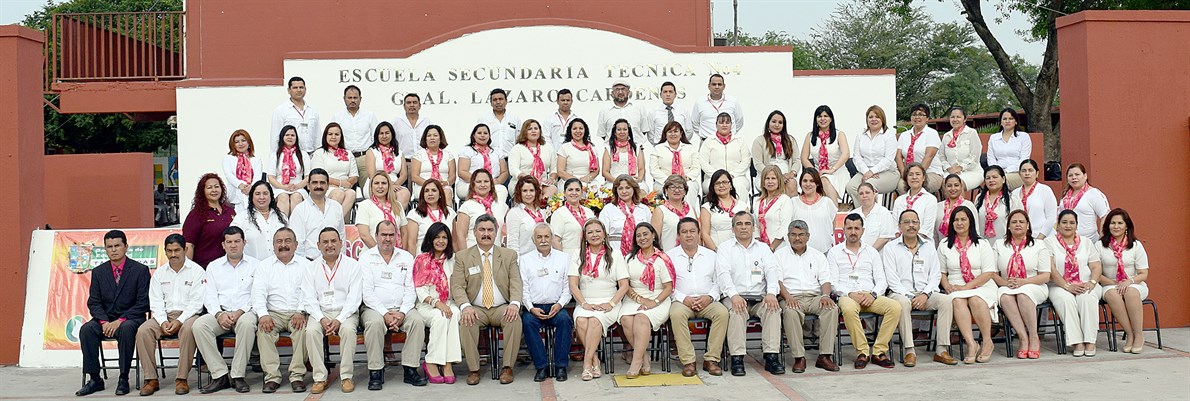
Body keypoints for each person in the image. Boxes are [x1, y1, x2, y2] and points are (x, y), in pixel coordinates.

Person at [76, 230, 151, 397]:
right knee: (87, 330)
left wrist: (121, 320)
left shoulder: (140, 270)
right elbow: (94, 302)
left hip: (130, 318)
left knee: (126, 329)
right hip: (105, 319)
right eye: (109, 247)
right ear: (105, 249)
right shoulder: (99, 272)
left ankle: (123, 378)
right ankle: (95, 379)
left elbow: (143, 303)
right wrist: (103, 322)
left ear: (126, 247)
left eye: (117, 245)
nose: (114, 250)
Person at [451, 215, 524, 385]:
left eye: (490, 230)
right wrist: (465, 306)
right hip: (476, 308)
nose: (486, 234)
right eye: (482, 230)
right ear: (475, 232)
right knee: (467, 320)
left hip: (501, 307)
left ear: (496, 232)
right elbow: (457, 285)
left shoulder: (508, 255)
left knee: (514, 319)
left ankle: (507, 368)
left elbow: (516, 282)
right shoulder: (463, 257)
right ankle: (474, 369)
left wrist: (514, 304)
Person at [882, 209, 956, 367]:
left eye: (914, 222)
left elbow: (935, 275)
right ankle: (910, 350)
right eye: (906, 222)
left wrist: (925, 295)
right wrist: (911, 297)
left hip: (925, 294)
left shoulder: (929, 246)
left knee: (946, 300)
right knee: (901, 303)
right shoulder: (891, 247)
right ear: (899, 226)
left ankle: (941, 349)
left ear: (919, 225)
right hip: (900, 293)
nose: (911, 225)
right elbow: (892, 279)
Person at [360, 221, 428, 389]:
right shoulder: (366, 258)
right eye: (383, 235)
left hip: (402, 308)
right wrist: (385, 313)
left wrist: (403, 313)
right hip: (374, 309)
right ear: (376, 236)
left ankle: (410, 369)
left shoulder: (406, 257)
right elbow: (366, 292)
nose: (387, 239)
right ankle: (376, 371)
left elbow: (411, 289)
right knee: (374, 324)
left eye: (391, 235)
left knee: (417, 322)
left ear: (397, 237)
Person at [135, 234, 205, 396]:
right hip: (164, 316)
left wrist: (180, 321)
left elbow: (196, 303)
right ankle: (150, 379)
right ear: (165, 252)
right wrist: (162, 321)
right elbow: (156, 301)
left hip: (189, 315)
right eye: (169, 251)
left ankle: (182, 379)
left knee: (189, 330)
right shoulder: (159, 273)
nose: (173, 254)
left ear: (185, 249)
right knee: (143, 331)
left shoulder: (197, 271)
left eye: (177, 250)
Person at [193, 227, 260, 394]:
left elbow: (257, 294)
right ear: (223, 245)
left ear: (244, 243)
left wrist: (240, 312)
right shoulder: (214, 267)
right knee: (199, 326)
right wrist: (219, 314)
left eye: (237, 241)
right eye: (229, 242)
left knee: (247, 324)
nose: (233, 245)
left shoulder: (256, 265)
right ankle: (220, 375)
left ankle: (238, 376)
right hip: (221, 313)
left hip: (246, 312)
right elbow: (209, 296)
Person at [829, 214, 900, 369]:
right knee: (847, 308)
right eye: (849, 228)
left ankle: (878, 351)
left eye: (856, 228)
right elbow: (833, 282)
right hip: (847, 295)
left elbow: (882, 280)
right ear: (843, 230)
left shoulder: (872, 252)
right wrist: (850, 293)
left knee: (895, 307)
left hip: (870, 295)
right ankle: (862, 352)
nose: (853, 232)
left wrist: (873, 294)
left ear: (863, 230)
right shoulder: (834, 252)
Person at [715, 212, 782, 376]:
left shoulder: (763, 248)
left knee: (773, 309)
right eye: (739, 224)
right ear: (733, 228)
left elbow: (773, 271)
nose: (743, 227)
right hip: (735, 297)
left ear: (753, 227)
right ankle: (737, 358)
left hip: (760, 297)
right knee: (737, 312)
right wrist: (734, 295)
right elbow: (723, 275)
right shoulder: (725, 248)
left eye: (747, 224)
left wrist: (772, 293)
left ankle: (771, 356)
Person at [303, 228, 365, 394]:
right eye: (325, 242)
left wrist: (340, 319)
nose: (329, 245)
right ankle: (319, 378)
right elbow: (308, 298)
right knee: (311, 331)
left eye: (333, 241)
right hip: (320, 312)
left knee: (348, 330)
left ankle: (346, 377)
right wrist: (321, 318)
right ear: (318, 245)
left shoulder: (353, 266)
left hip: (346, 312)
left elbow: (355, 298)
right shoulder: (311, 268)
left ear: (341, 243)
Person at [774, 220, 840, 373]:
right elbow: (777, 281)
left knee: (831, 308)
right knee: (790, 311)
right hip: (790, 296)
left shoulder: (818, 256)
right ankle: (799, 358)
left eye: (801, 235)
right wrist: (788, 297)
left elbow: (825, 280)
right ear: (788, 236)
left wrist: (825, 295)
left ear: (808, 236)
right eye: (794, 235)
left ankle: (825, 356)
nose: (797, 238)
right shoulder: (779, 256)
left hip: (814, 296)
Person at [569, 219, 630, 381]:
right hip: (585, 301)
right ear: (585, 237)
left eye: (597, 231)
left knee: (595, 321)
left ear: (604, 234)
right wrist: (584, 303)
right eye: (590, 232)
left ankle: (586, 364)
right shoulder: (577, 254)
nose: (594, 234)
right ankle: (594, 359)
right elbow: (573, 285)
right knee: (581, 320)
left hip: (610, 301)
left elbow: (624, 285)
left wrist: (610, 304)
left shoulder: (616, 255)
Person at [937, 209, 1000, 364]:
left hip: (982, 284)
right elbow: (941, 272)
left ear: (970, 222)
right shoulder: (945, 244)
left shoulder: (982, 244)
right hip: (956, 284)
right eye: (956, 220)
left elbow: (989, 273)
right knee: (957, 301)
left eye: (963, 219)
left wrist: (967, 288)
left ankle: (987, 341)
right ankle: (971, 344)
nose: (959, 223)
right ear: (951, 223)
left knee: (976, 299)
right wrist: (947, 286)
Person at [252, 228, 310, 393]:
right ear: (273, 245)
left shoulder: (306, 265)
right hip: (273, 313)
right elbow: (257, 293)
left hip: (297, 312)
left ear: (296, 244)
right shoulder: (264, 266)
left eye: (287, 241)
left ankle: (297, 376)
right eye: (279, 241)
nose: (283, 245)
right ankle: (272, 377)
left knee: (303, 330)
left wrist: (301, 311)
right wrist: (263, 315)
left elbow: (310, 292)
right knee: (263, 331)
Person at [667, 217, 728, 377]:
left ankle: (711, 359)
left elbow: (719, 281)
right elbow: (667, 284)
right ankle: (688, 362)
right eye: (684, 232)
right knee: (676, 314)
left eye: (692, 231)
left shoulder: (712, 255)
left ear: (699, 234)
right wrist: (682, 298)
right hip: (681, 301)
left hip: (707, 300)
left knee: (722, 313)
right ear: (678, 235)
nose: (689, 235)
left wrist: (710, 297)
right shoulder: (669, 256)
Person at [992, 210, 1053, 359]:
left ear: (1028, 226)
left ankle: (1033, 337)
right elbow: (992, 272)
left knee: (1023, 294)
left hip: (1034, 284)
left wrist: (1023, 282)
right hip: (1008, 285)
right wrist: (1004, 283)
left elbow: (1045, 275)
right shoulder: (999, 244)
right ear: (1008, 227)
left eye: (1021, 222)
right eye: (1014, 222)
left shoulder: (1039, 245)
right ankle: (1023, 337)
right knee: (1005, 296)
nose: (1017, 224)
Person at [519, 224, 574, 382]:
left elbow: (567, 287)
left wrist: (560, 304)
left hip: (556, 306)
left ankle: (560, 366)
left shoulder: (563, 258)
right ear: (533, 240)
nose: (543, 240)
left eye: (546, 236)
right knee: (527, 323)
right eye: (539, 237)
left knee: (565, 320)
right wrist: (530, 307)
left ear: (551, 238)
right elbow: (524, 289)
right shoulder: (525, 260)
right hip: (534, 307)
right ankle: (541, 367)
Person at [619, 223, 674, 378]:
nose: (642, 238)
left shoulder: (662, 258)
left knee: (642, 317)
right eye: (638, 235)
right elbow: (625, 284)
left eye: (645, 234)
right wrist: (638, 298)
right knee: (626, 319)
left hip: (659, 298)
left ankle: (636, 362)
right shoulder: (629, 258)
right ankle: (644, 358)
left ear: (653, 235)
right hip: (634, 297)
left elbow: (668, 287)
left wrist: (654, 302)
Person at [1046, 210, 1104, 356]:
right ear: (1057, 225)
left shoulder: (1086, 242)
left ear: (1077, 225)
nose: (1068, 226)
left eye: (1072, 223)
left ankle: (1090, 341)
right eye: (1064, 222)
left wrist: (1091, 283)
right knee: (1065, 300)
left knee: (1087, 298)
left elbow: (1096, 266)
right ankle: (1076, 341)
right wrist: (1067, 286)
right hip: (1059, 285)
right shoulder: (1049, 242)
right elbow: (1051, 269)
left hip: (1086, 283)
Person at [414, 223, 462, 384]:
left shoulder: (452, 260)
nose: (441, 241)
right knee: (440, 317)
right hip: (427, 305)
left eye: (444, 237)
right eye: (437, 237)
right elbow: (420, 291)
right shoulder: (421, 259)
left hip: (448, 301)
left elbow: (457, 285)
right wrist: (436, 303)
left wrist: (448, 304)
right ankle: (431, 362)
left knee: (455, 314)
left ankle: (448, 362)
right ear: (430, 239)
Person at [1097, 208, 1150, 354]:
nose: (1116, 226)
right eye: (1113, 223)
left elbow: (1143, 273)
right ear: (1108, 225)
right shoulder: (1100, 245)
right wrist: (1112, 282)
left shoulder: (1136, 245)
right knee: (1113, 295)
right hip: (1110, 283)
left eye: (1120, 223)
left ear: (1127, 226)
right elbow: (1096, 272)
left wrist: (1129, 281)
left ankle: (1139, 335)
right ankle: (1129, 334)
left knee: (1131, 292)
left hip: (1134, 283)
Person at [845, 105, 898, 207]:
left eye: (877, 117)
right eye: (871, 117)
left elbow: (888, 160)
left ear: (882, 119)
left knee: (867, 187)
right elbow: (857, 157)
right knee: (851, 187)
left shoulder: (889, 135)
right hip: (864, 171)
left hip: (887, 172)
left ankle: (874, 215)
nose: (874, 119)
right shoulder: (861, 135)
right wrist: (866, 172)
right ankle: (862, 214)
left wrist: (872, 172)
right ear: (867, 119)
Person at [288, 169, 345, 260]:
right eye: (315, 183)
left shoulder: (336, 207)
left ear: (327, 186)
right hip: (309, 263)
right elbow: (297, 243)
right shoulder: (300, 210)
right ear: (308, 186)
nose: (318, 186)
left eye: (322, 183)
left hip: (335, 264)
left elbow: (341, 237)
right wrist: (304, 265)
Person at [183, 173, 235, 267]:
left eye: (216, 186)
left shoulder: (230, 211)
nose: (214, 190)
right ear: (202, 191)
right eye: (209, 187)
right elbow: (189, 245)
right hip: (204, 267)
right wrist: (189, 271)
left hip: (229, 267)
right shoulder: (196, 215)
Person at [308, 122, 359, 220]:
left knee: (351, 193)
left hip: (345, 187)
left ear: (341, 136)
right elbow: (319, 175)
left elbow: (354, 176)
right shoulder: (319, 153)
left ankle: (335, 220)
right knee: (338, 193)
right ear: (325, 136)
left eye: (336, 134)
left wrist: (347, 183)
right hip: (327, 187)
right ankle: (331, 220)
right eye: (330, 134)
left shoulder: (348, 153)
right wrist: (340, 183)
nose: (333, 137)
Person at [800, 105, 850, 202]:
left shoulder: (839, 134)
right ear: (816, 119)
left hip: (837, 172)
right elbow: (804, 158)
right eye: (819, 116)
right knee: (819, 179)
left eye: (826, 116)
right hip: (817, 172)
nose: (823, 119)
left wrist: (832, 169)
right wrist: (813, 172)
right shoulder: (810, 136)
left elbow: (846, 154)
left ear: (831, 119)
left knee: (825, 179)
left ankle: (833, 212)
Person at [231, 181, 287, 260]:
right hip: (252, 269)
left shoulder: (282, 217)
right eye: (257, 194)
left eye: (265, 193)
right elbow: (232, 242)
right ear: (251, 197)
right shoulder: (241, 218)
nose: (261, 197)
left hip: (279, 268)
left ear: (271, 196)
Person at [454, 169, 509, 250]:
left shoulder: (502, 205)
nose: (482, 185)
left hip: (496, 255)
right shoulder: (466, 206)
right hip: (472, 255)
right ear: (473, 185)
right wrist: (465, 259)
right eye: (478, 182)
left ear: (491, 184)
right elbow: (460, 236)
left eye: (486, 181)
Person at [599, 175, 653, 257]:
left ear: (634, 189)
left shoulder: (644, 209)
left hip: (640, 253)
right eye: (620, 188)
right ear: (615, 190)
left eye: (628, 188)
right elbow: (602, 235)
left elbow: (650, 233)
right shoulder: (608, 209)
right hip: (615, 254)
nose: (624, 191)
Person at [699, 112, 751, 196]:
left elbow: (746, 161)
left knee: (740, 186)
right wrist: (717, 176)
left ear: (731, 125)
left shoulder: (740, 141)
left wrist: (732, 175)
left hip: (737, 177)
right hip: (712, 178)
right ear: (716, 125)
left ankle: (740, 209)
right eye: (721, 122)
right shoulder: (708, 141)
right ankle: (716, 209)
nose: (724, 125)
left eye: (727, 122)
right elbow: (703, 162)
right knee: (715, 187)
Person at [334, 85, 379, 180]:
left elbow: (375, 137)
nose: (352, 100)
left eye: (355, 98)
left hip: (364, 157)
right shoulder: (337, 117)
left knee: (368, 186)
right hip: (344, 158)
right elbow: (332, 138)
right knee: (347, 187)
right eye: (349, 98)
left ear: (360, 99)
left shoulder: (369, 115)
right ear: (344, 99)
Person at [648, 121, 701, 203]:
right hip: (664, 181)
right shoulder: (658, 148)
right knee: (666, 188)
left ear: (681, 133)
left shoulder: (690, 148)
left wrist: (686, 178)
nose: (673, 134)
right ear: (665, 134)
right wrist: (668, 180)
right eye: (670, 132)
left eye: (676, 131)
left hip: (686, 180)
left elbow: (696, 167)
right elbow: (653, 169)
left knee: (690, 187)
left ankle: (689, 213)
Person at [751, 110, 800, 197]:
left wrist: (791, 174)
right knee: (774, 185)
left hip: (787, 176)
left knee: (791, 184)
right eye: (774, 121)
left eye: (780, 122)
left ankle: (791, 210)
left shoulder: (790, 140)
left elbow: (796, 160)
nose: (777, 125)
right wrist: (776, 177)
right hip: (767, 176)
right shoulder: (759, 141)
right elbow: (758, 164)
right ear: (768, 123)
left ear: (784, 125)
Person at [456, 123, 510, 202]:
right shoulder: (467, 150)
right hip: (469, 185)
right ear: (474, 136)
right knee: (480, 191)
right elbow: (462, 172)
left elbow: (504, 172)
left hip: (493, 185)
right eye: (479, 133)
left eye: (485, 133)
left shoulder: (497, 152)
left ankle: (494, 214)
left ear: (489, 136)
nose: (482, 135)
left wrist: (496, 182)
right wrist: (479, 182)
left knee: (502, 190)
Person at [896, 104, 943, 193]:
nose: (917, 117)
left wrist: (917, 175)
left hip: (930, 173)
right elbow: (898, 156)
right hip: (909, 174)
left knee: (918, 187)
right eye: (914, 114)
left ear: (927, 118)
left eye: (921, 114)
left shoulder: (932, 133)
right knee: (902, 187)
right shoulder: (904, 135)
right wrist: (904, 174)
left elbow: (929, 157)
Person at [791, 168, 839, 253]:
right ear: (800, 183)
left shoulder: (827, 202)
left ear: (817, 183)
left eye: (812, 181)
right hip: (799, 253)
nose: (808, 184)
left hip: (824, 251)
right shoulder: (793, 202)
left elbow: (832, 228)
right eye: (805, 181)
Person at [364, 121, 412, 207]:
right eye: (381, 133)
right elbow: (371, 174)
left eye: (387, 133)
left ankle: (395, 219)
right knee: (388, 194)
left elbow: (403, 175)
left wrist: (395, 185)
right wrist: (389, 186)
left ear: (392, 134)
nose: (384, 136)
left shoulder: (399, 153)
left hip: (395, 183)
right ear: (377, 136)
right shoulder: (372, 152)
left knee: (404, 193)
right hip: (376, 183)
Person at [355, 172, 407, 249]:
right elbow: (364, 235)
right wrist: (381, 253)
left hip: (397, 255)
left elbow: (404, 233)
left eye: (384, 183)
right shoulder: (364, 205)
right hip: (373, 254)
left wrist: (402, 253)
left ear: (389, 186)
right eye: (376, 183)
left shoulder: (397, 205)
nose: (380, 186)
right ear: (371, 186)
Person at [1059, 163, 1110, 241]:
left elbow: (1105, 216)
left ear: (1085, 176)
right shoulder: (1065, 196)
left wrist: (1102, 241)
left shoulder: (1093, 193)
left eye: (1077, 174)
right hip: (1066, 242)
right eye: (1070, 175)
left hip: (1089, 241)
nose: (1074, 177)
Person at [699, 169, 748, 251]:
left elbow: (748, 232)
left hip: (739, 251)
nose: (721, 186)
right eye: (717, 183)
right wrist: (717, 251)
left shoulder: (743, 206)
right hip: (715, 252)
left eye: (725, 182)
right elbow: (705, 234)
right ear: (713, 187)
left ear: (731, 185)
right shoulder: (706, 208)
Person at [938, 107, 984, 191]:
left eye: (958, 117)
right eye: (952, 117)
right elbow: (941, 156)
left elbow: (975, 156)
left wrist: (960, 167)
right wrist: (949, 168)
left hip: (971, 172)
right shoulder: (946, 136)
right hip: (950, 172)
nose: (955, 119)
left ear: (965, 119)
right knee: (944, 182)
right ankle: (949, 204)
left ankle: (960, 204)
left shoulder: (971, 133)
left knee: (957, 184)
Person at [270, 76, 320, 154]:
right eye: (295, 88)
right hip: (290, 155)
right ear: (289, 90)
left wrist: (318, 154)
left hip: (311, 154)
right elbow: (275, 137)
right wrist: (276, 156)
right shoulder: (280, 110)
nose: (299, 90)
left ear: (305, 89)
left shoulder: (312, 110)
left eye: (301, 87)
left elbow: (317, 136)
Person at [266, 125, 309, 215]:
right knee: (283, 197)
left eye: (293, 135)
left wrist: (297, 186)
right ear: (282, 137)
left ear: (296, 138)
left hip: (298, 187)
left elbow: (308, 177)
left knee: (296, 197)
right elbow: (271, 177)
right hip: (279, 187)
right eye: (287, 135)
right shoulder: (275, 155)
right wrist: (283, 187)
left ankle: (295, 226)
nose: (290, 137)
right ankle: (283, 226)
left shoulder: (303, 154)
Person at [508, 119, 557, 198]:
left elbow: (554, 168)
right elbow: (513, 169)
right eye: (530, 129)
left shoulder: (548, 147)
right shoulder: (517, 148)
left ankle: (541, 206)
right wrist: (529, 179)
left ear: (540, 131)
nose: (533, 131)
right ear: (524, 132)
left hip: (541, 183)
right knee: (529, 192)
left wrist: (551, 178)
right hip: (522, 183)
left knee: (553, 189)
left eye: (536, 129)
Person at [405, 179, 457, 253]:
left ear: (440, 194)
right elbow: (411, 244)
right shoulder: (414, 214)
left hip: (446, 258)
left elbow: (454, 242)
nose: (430, 194)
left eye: (434, 190)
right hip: (423, 258)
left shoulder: (450, 212)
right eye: (426, 191)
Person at [1010, 159, 1057, 239]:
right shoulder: (1014, 193)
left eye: (1030, 170)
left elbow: (1051, 218)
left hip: (1044, 238)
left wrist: (1040, 238)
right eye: (1024, 171)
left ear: (1037, 173)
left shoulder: (1045, 190)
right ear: (1019, 174)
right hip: (1021, 239)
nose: (1027, 173)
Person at [651, 175, 700, 251]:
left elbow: (698, 235)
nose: (677, 190)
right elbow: (654, 239)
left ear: (685, 192)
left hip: (691, 256)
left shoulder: (691, 209)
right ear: (666, 191)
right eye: (672, 187)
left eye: (680, 187)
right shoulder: (660, 211)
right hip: (669, 257)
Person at [986, 108, 1032, 190]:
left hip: (1017, 172)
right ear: (1001, 122)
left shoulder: (1023, 137)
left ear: (1016, 121)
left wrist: (1006, 171)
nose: (1007, 121)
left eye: (1011, 118)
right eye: (1004, 119)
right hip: (997, 173)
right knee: (994, 180)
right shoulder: (993, 138)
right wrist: (997, 171)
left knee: (998, 182)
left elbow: (1024, 159)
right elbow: (991, 158)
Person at [892, 163, 939, 241]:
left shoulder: (930, 199)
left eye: (918, 174)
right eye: (910, 174)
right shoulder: (899, 200)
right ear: (906, 178)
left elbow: (927, 228)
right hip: (899, 243)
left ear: (923, 178)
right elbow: (894, 226)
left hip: (922, 244)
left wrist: (910, 242)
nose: (914, 177)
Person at [410, 125, 457, 202]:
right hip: (423, 186)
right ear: (425, 139)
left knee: (447, 192)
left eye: (435, 135)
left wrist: (446, 182)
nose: (432, 138)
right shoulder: (419, 155)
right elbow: (414, 176)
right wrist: (429, 184)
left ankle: (447, 214)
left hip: (443, 186)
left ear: (440, 138)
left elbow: (453, 176)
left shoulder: (448, 155)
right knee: (428, 192)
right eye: (429, 136)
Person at [596, 79, 650, 146]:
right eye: (617, 89)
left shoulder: (639, 108)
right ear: (612, 93)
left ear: (629, 92)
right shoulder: (605, 111)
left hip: (636, 149)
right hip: (613, 151)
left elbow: (644, 130)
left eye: (623, 89)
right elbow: (603, 134)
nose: (620, 92)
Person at [551, 178, 595, 260]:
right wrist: (562, 260)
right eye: (570, 190)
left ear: (582, 193)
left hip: (589, 256)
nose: (574, 193)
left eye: (577, 190)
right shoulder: (559, 213)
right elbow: (555, 241)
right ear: (564, 193)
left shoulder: (588, 212)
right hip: (569, 257)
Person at [222, 129, 265, 212]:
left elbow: (257, 177)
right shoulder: (228, 158)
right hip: (235, 197)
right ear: (233, 145)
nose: (240, 144)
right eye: (237, 142)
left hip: (251, 194)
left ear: (249, 143)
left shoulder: (256, 160)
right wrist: (240, 185)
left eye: (243, 140)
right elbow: (229, 175)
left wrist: (250, 188)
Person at [690, 74, 743, 140]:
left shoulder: (733, 101)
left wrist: (727, 134)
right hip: (706, 141)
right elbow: (694, 123)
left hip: (728, 142)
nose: (717, 87)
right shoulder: (700, 102)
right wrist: (705, 136)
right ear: (709, 86)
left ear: (724, 86)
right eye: (714, 84)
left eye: (719, 84)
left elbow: (739, 121)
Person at [506, 176, 550, 256]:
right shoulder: (514, 213)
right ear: (519, 193)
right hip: (524, 261)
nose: (528, 194)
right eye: (525, 191)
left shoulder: (542, 212)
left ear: (536, 192)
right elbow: (512, 242)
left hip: (544, 259)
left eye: (531, 190)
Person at [754, 165, 793, 251]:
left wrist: (771, 248)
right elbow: (756, 226)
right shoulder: (757, 201)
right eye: (767, 178)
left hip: (779, 248)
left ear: (779, 181)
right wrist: (760, 246)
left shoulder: (785, 200)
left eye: (773, 178)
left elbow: (784, 227)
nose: (770, 181)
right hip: (761, 249)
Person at [555, 118, 603, 189]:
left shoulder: (592, 147)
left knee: (598, 191)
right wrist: (576, 180)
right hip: (569, 181)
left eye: (581, 128)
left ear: (585, 130)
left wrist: (589, 177)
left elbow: (596, 170)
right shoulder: (564, 147)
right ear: (570, 131)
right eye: (574, 128)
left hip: (588, 181)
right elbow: (560, 171)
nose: (578, 131)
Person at [851, 182, 896, 251]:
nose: (864, 195)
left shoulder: (884, 212)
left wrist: (869, 252)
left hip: (878, 257)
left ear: (874, 193)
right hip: (856, 257)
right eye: (861, 193)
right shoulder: (853, 214)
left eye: (867, 192)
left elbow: (885, 238)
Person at [601, 118, 647, 185]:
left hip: (633, 181)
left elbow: (641, 169)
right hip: (614, 182)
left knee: (642, 191)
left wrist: (639, 179)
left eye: (625, 129)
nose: (622, 132)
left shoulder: (636, 147)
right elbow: (605, 172)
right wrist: (616, 182)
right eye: (619, 129)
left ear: (628, 132)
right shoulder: (609, 149)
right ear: (615, 132)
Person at [477, 88, 521, 156]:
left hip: (510, 159)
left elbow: (519, 140)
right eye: (495, 100)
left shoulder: (515, 119)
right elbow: (478, 140)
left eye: (501, 99)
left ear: (506, 101)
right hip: (490, 159)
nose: (498, 102)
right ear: (491, 103)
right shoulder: (483, 119)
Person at [935, 174, 977, 240]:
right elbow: (935, 233)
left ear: (961, 186)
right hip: (942, 246)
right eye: (949, 186)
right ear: (945, 187)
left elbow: (975, 229)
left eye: (956, 185)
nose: (953, 188)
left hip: (965, 247)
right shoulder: (938, 206)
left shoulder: (969, 205)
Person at [394, 93, 434, 162]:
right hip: (404, 162)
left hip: (424, 162)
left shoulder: (426, 122)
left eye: (415, 102)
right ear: (404, 106)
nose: (412, 105)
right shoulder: (396, 122)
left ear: (420, 106)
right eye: (409, 103)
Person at [976, 166, 1011, 241]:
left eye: (995, 177)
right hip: (983, 245)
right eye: (988, 178)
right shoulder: (979, 199)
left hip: (1004, 244)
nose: (991, 180)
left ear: (1003, 179)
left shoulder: (1012, 199)